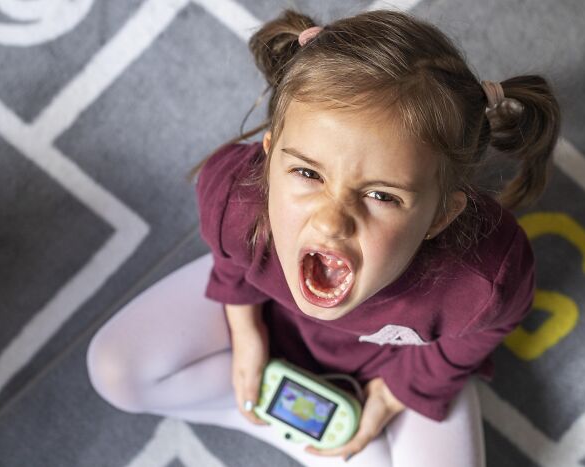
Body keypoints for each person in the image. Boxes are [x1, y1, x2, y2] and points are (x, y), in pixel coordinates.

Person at [86, 8, 560, 467]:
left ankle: (307, 426)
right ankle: (271, 421)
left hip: (393, 363)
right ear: (269, 161)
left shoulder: (480, 279)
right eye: (308, 172)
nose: (333, 222)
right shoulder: (237, 198)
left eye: (380, 195)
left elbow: (490, 325)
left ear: (440, 215)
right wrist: (245, 328)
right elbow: (229, 256)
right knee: (115, 372)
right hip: (272, 318)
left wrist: (405, 389)